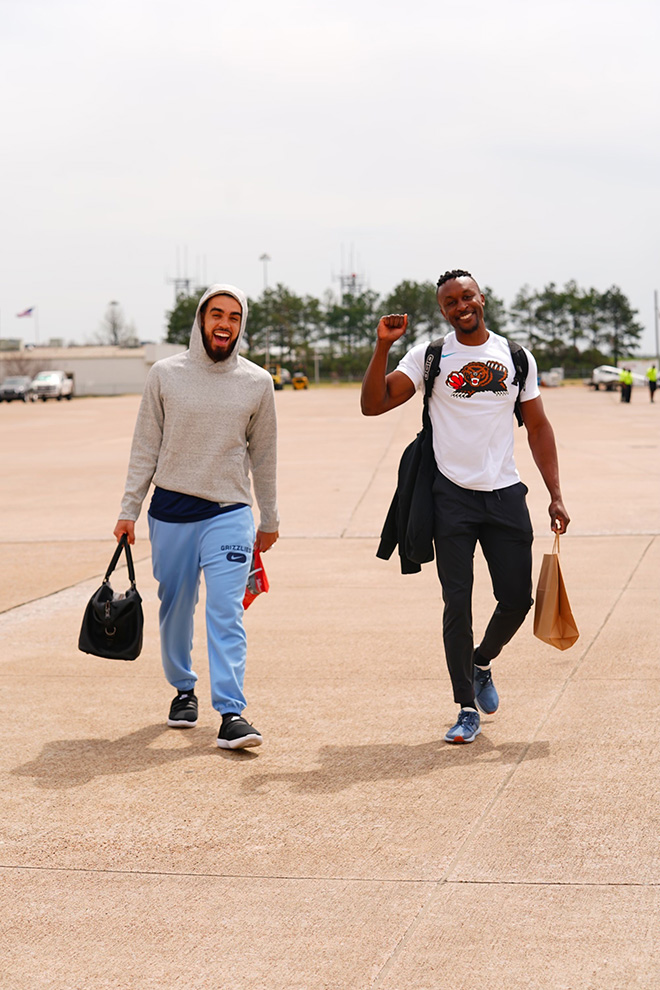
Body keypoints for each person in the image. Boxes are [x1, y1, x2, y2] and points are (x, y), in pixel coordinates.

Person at [361, 269, 569, 744]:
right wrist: (382, 347)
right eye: (451, 302)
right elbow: (373, 404)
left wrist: (555, 494)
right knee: (457, 604)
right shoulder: (430, 356)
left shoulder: (516, 357)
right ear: (443, 311)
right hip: (450, 497)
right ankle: (465, 707)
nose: (461, 306)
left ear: (482, 298)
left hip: (505, 494)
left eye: (467, 296)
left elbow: (538, 427)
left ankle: (481, 661)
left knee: (517, 599)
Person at [114, 284, 279, 750]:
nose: (225, 324)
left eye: (234, 317)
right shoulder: (165, 374)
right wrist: (128, 509)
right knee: (176, 605)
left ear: (241, 325)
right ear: (201, 320)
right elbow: (145, 446)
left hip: (229, 512)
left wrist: (269, 517)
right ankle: (183, 689)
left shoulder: (257, 382)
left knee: (226, 610)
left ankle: (231, 713)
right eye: (216, 314)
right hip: (171, 513)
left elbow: (264, 455)